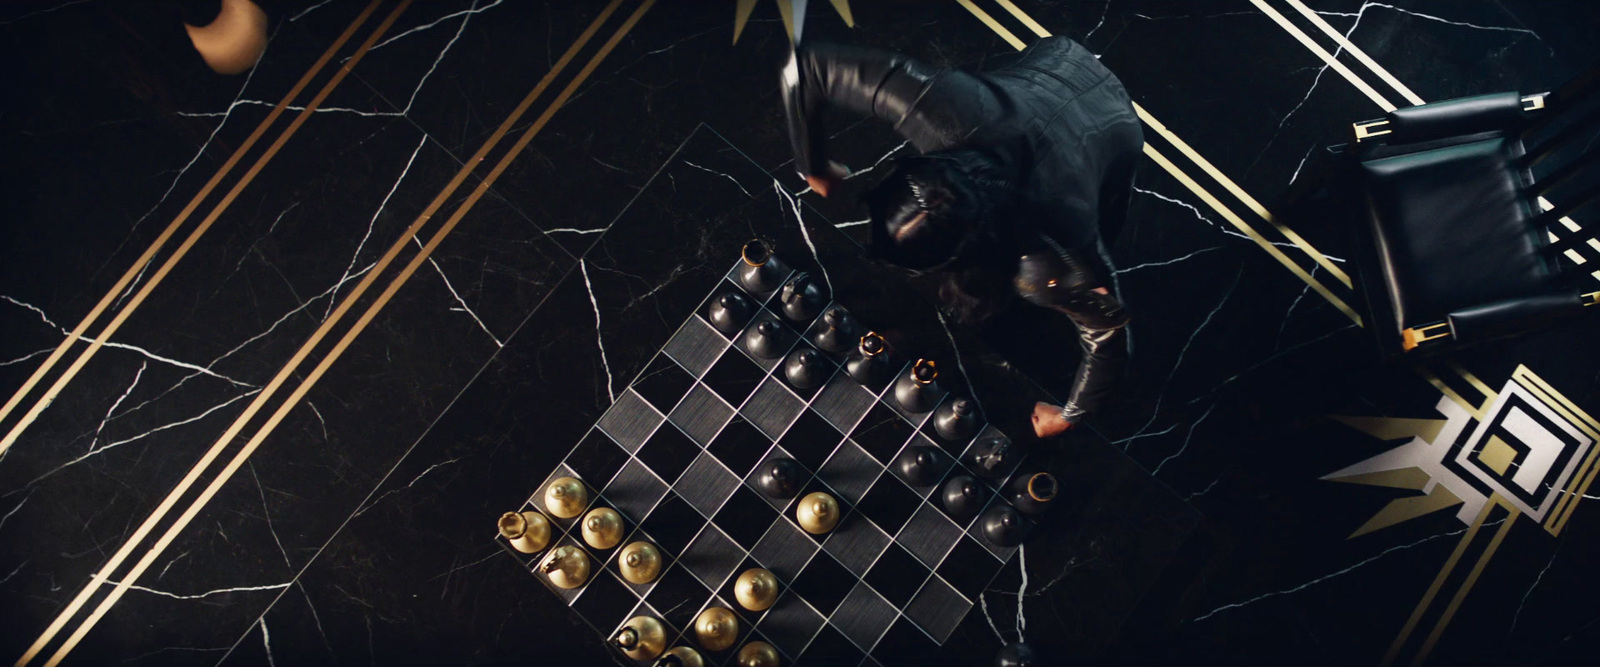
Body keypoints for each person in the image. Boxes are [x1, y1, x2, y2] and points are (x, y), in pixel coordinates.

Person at [779, 36, 1143, 438]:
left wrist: (1071, 414)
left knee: (1093, 242)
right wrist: (810, 163)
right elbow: (807, 68)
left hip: (1116, 127)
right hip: (1061, 58)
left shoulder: (1050, 252)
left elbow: (1109, 329)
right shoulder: (939, 105)